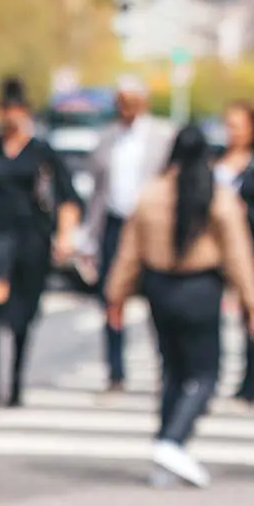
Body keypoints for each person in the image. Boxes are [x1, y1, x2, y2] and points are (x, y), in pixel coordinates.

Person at [105, 125, 254, 487]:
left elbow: (129, 251)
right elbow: (238, 254)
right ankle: (173, 441)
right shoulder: (217, 195)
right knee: (206, 375)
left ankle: (165, 450)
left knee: (172, 371)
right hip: (201, 290)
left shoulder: (150, 193)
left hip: (158, 289)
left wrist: (116, 295)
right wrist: (253, 304)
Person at [0, 77, 81, 412]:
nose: (9, 115)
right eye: (4, 109)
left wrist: (65, 236)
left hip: (31, 237)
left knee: (23, 313)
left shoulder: (41, 152)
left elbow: (67, 197)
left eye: (15, 109)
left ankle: (16, 382)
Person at [82, 76, 176, 392]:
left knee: (157, 298)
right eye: (121, 101)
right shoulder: (108, 138)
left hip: (150, 226)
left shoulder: (161, 136)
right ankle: (115, 371)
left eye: (132, 100)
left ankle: (165, 367)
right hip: (114, 223)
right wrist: (88, 235)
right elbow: (97, 191)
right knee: (111, 298)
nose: (127, 108)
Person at [214, 101, 254, 407]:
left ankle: (251, 382)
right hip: (214, 249)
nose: (233, 132)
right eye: (229, 125)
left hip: (251, 248)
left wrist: (243, 211)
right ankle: (211, 376)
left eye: (238, 125)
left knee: (252, 314)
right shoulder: (216, 161)